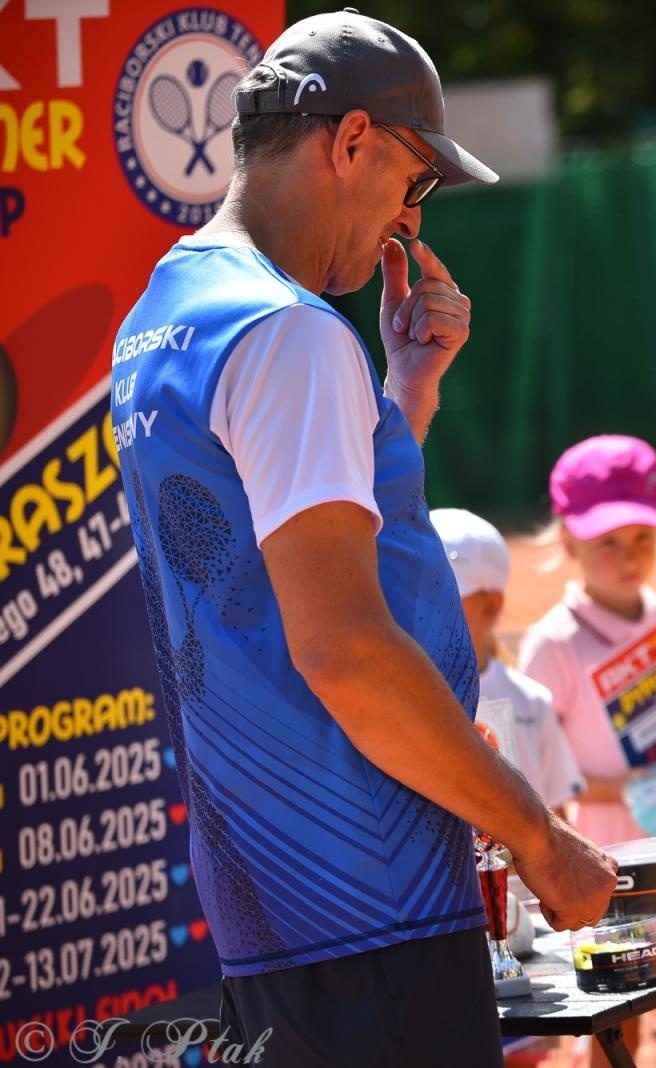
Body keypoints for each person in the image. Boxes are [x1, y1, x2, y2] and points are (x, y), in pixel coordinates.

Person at [109, 12, 616, 1065]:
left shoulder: (168, 310)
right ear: (347, 142)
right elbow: (342, 648)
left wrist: (401, 399)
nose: (407, 216)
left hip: (270, 904)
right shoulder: (287, 332)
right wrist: (540, 836)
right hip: (365, 897)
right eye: (413, 177)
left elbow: (262, 567)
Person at [517, 434, 656, 1066]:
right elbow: (533, 775)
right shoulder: (550, 645)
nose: (629, 556)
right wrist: (633, 790)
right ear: (568, 539)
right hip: (602, 864)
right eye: (608, 540)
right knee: (616, 1026)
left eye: (643, 538)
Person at [432, 508, 585, 816]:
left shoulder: (531, 702)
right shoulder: (389, 696)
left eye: (445, 595)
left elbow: (558, 820)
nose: (424, 607)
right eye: (415, 592)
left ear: (492, 605)